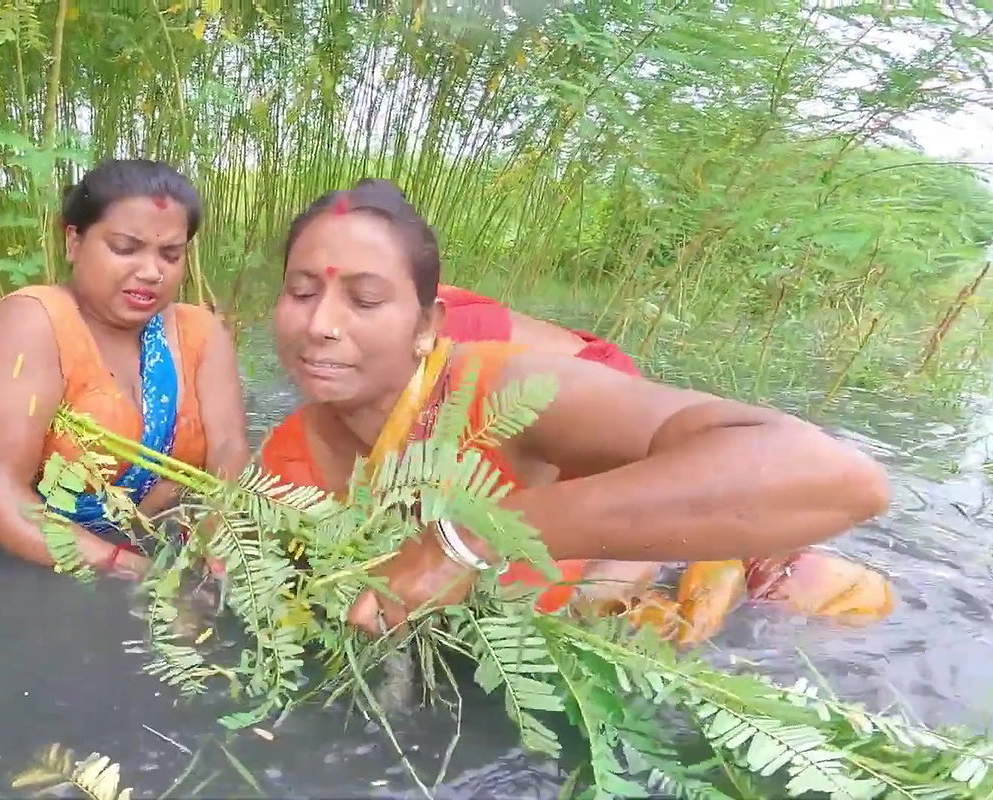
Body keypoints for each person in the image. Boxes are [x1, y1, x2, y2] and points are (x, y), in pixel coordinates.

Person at [258, 178, 893, 637]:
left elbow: (842, 479)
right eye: (301, 291)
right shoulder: (282, 463)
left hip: (605, 487)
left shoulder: (501, 393)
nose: (321, 324)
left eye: (365, 300)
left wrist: (470, 537)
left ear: (429, 325)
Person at [0, 159, 249, 579]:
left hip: (175, 539)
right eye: (125, 248)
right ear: (74, 241)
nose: (151, 272)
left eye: (170, 254)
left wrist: (218, 534)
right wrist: (142, 576)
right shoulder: (31, 326)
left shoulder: (200, 332)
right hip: (53, 566)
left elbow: (229, 448)